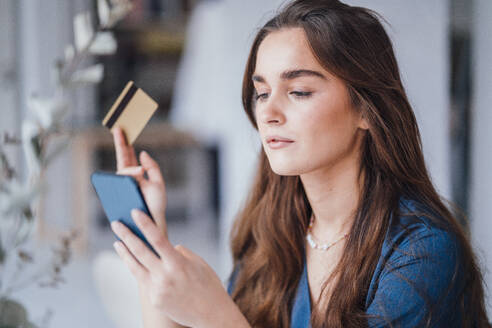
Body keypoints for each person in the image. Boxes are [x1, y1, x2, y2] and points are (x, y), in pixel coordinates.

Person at [109, 0, 490, 327]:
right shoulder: (273, 232)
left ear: (367, 111)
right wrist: (151, 241)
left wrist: (218, 317)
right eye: (261, 93)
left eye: (299, 91)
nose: (269, 113)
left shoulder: (422, 253)